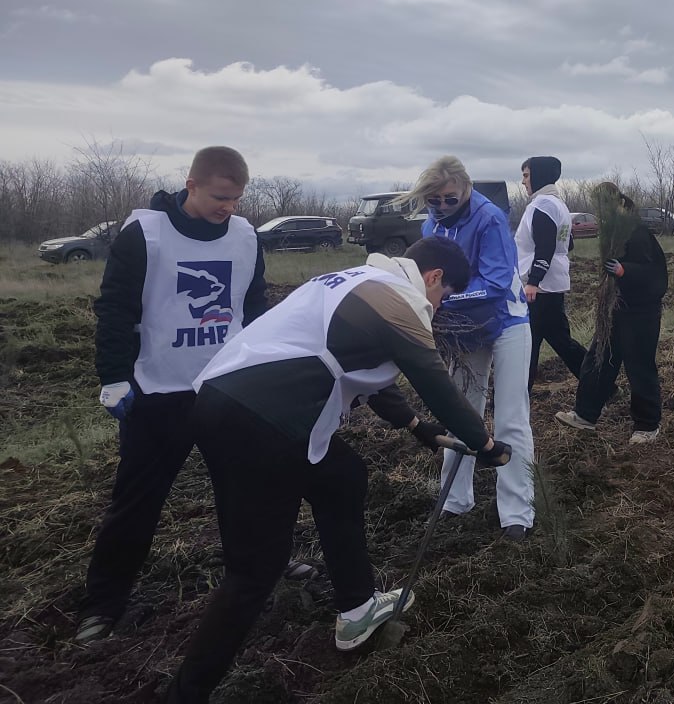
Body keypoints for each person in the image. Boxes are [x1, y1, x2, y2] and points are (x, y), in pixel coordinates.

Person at [163, 238, 511, 702]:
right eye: (444, 294)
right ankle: (186, 693)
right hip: (267, 422)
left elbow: (361, 365)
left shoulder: (355, 280)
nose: (439, 304)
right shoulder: (400, 300)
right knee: (253, 571)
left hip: (220, 399)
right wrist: (485, 444)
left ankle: (356, 608)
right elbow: (437, 384)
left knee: (342, 476)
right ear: (432, 278)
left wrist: (414, 426)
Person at [75, 146, 268, 644]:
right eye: (220, 197)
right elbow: (115, 309)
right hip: (159, 393)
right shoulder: (146, 235)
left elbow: (254, 306)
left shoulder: (246, 238)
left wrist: (262, 367)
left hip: (226, 388)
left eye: (236, 199)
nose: (228, 207)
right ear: (192, 184)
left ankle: (260, 571)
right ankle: (104, 603)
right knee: (136, 501)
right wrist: (114, 376)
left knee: (248, 490)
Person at [406, 156, 536, 541]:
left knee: (511, 415)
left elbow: (495, 283)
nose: (443, 207)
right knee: (462, 413)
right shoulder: (432, 224)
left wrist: (443, 301)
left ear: (465, 188)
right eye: (434, 201)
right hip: (464, 329)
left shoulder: (490, 218)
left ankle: (517, 512)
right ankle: (455, 500)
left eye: (449, 199)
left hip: (505, 321)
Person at [555, 182, 668, 444]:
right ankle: (585, 415)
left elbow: (655, 276)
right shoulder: (614, 232)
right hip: (615, 310)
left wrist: (624, 270)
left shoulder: (637, 232)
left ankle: (647, 425)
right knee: (599, 358)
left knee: (639, 365)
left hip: (641, 312)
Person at [516, 155, 587, 389]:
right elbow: (568, 244)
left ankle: (517, 397)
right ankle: (601, 384)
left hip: (541, 287)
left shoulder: (542, 205)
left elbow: (545, 247)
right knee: (557, 340)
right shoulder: (558, 204)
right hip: (552, 282)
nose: (523, 181)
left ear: (539, 175)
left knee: (530, 342)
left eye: (526, 175)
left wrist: (533, 281)